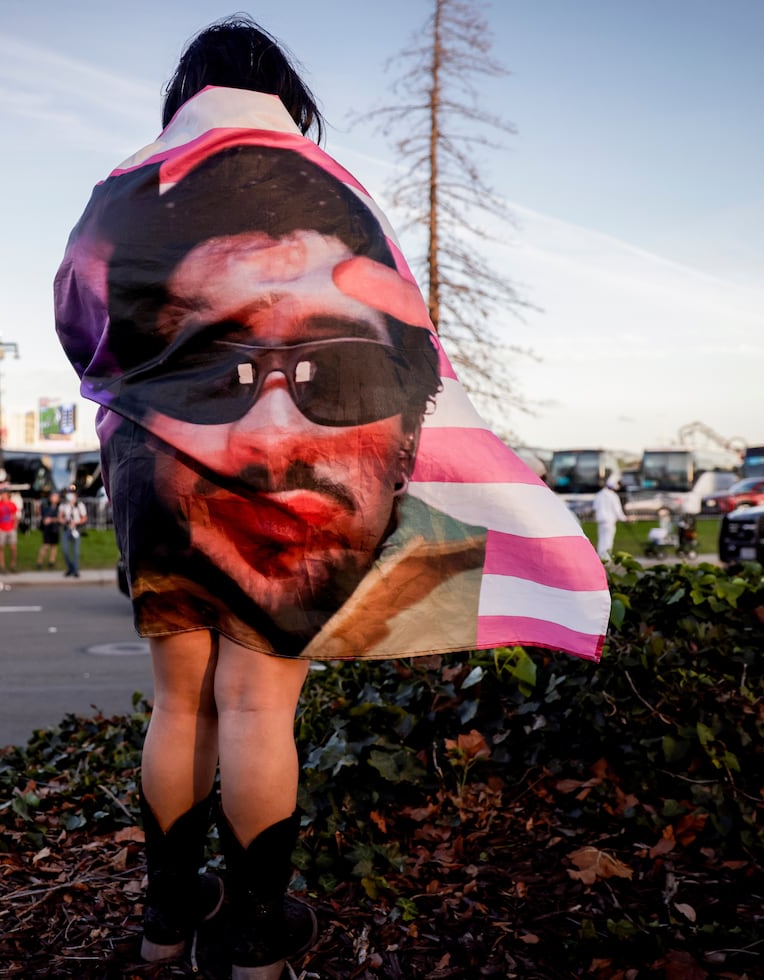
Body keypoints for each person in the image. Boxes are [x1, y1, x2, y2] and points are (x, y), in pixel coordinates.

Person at [55, 17, 610, 978]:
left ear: (188, 90)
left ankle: (163, 931)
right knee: (260, 707)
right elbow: (412, 353)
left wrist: (166, 392)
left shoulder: (121, 188)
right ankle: (259, 948)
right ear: (282, 94)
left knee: (178, 703)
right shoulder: (337, 188)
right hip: (308, 487)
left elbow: (76, 320)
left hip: (156, 471)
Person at [592, 475, 627, 560]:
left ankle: (601, 557)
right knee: (608, 540)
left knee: (601, 539)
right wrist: (624, 519)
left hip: (601, 521)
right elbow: (617, 510)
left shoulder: (599, 494)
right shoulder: (613, 496)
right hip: (609, 521)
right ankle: (606, 558)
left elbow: (595, 508)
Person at [58, 490, 87, 578]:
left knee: (76, 552)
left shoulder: (80, 505)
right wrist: (64, 521)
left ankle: (75, 571)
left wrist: (76, 522)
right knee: (65, 550)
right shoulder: (63, 505)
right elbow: (60, 517)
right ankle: (71, 568)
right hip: (66, 529)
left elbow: (84, 518)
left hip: (76, 530)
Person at [0, 487, 20, 574]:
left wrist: (15, 524)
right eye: (1, 494)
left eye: (4, 493)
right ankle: (2, 566)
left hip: (10, 528)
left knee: (13, 547)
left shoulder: (12, 504)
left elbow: (15, 515)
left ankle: (13, 564)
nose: (3, 495)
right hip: (1, 528)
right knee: (1, 548)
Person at [36, 491, 61, 569]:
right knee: (46, 545)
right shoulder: (46, 506)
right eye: (54, 496)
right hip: (47, 529)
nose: (55, 498)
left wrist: (51, 519)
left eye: (57, 497)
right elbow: (41, 515)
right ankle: (39, 562)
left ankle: (51, 562)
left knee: (54, 545)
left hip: (55, 528)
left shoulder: (59, 507)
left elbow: (60, 518)